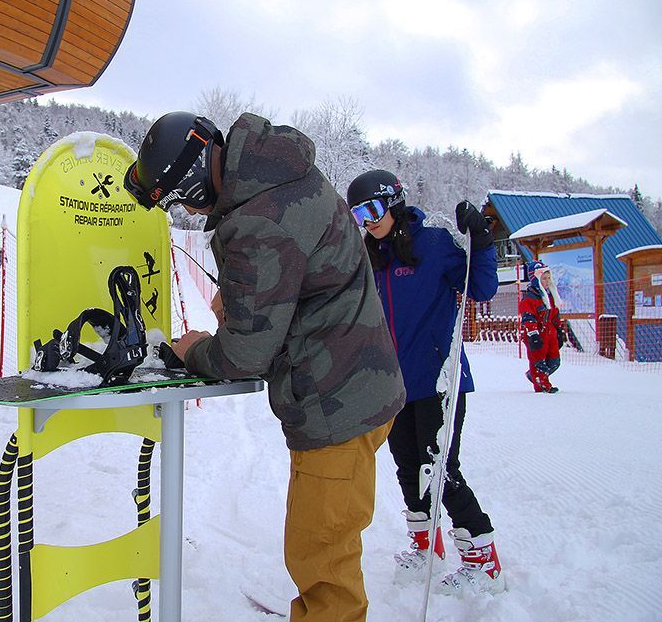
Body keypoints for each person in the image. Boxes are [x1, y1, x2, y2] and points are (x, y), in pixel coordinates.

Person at [124, 111, 405, 622]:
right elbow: (297, 289)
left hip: (336, 405)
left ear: (193, 180)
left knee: (322, 562)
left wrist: (193, 351)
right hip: (356, 389)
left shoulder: (256, 220)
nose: (189, 209)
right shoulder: (279, 177)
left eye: (182, 198)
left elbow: (243, 356)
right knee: (322, 548)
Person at [345, 169, 504, 595]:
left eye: (373, 209)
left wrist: (482, 241)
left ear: (394, 202)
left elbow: (483, 287)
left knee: (439, 471)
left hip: (439, 380)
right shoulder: (371, 258)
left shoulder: (433, 245)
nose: (368, 220)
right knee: (407, 468)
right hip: (395, 387)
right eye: (359, 213)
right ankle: (425, 546)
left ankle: (483, 559)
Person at [519, 260, 563, 393]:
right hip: (537, 334)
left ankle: (535, 375)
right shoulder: (529, 299)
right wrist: (533, 335)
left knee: (555, 361)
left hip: (551, 333)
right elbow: (528, 318)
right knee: (538, 361)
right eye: (544, 278)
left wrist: (559, 330)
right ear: (535, 279)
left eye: (549, 278)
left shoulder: (549, 297)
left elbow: (555, 314)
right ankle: (542, 384)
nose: (547, 281)